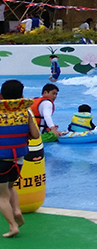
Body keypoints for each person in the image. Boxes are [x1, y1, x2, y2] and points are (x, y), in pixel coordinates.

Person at [0, 80, 40, 238]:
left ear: (2, 95)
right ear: (21, 95)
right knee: (10, 187)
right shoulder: (26, 112)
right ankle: (16, 209)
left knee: (2, 196)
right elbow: (36, 135)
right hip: (18, 160)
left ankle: (12, 226)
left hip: (1, 161)